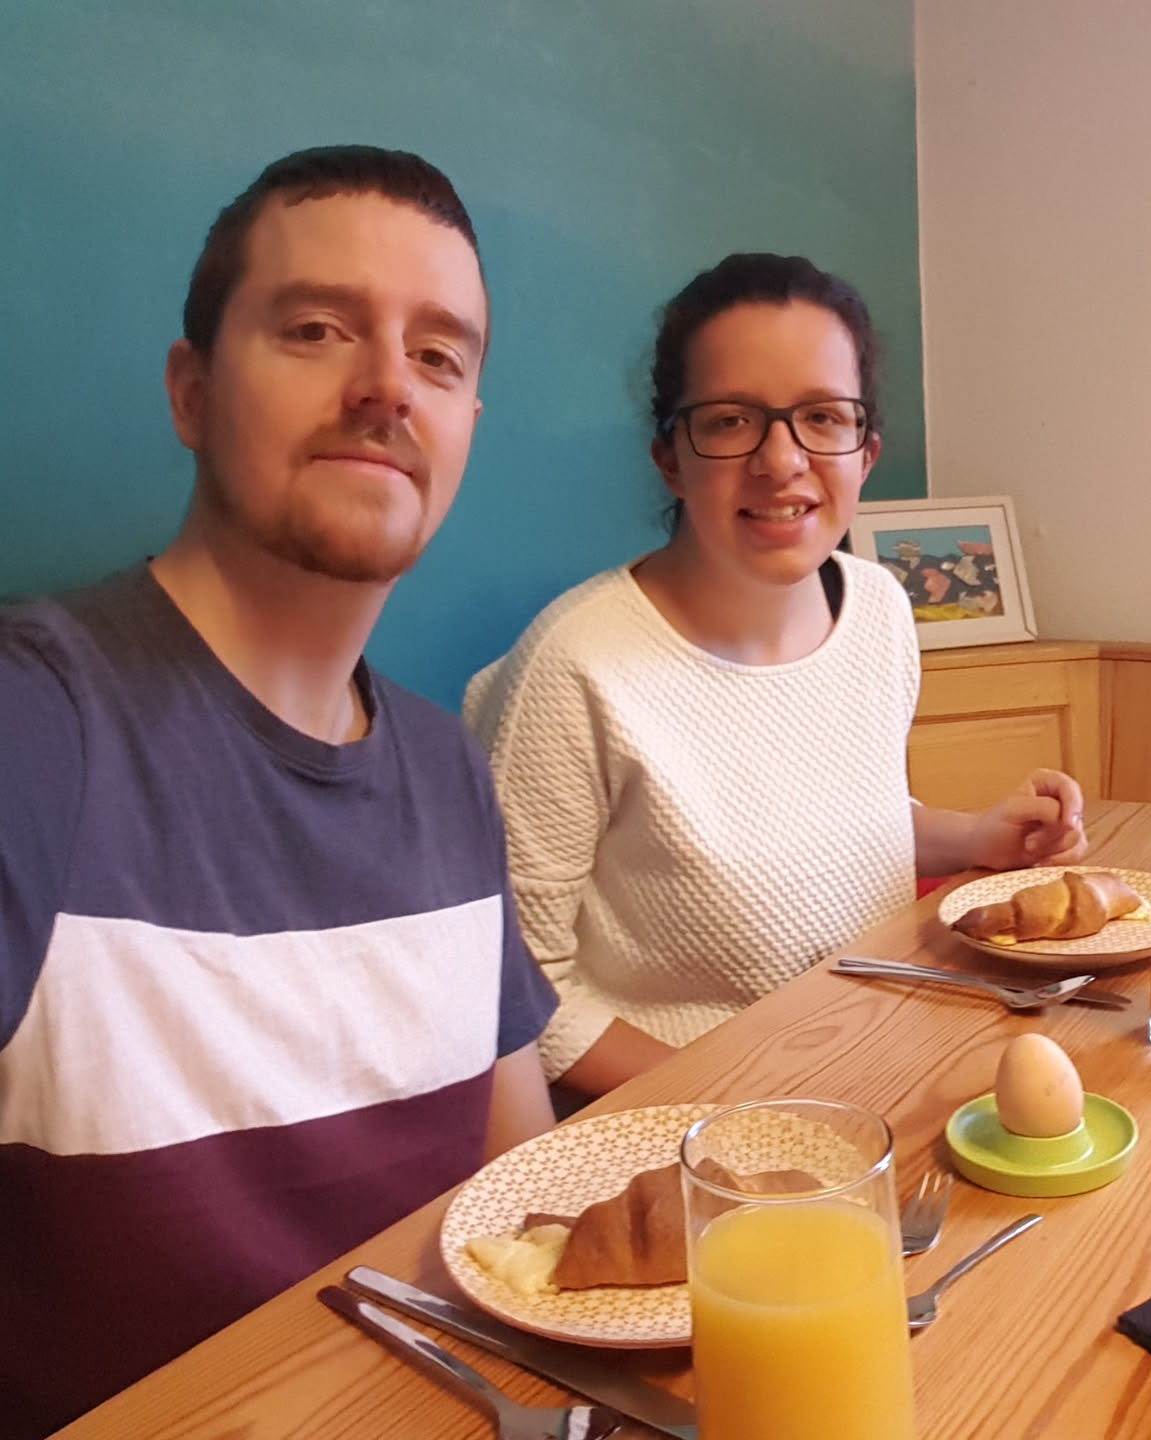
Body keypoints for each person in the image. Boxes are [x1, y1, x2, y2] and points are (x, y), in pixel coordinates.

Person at [0, 146, 556, 1439]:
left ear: (467, 425)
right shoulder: (35, 729)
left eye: (439, 356)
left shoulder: (448, 769)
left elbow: (525, 1199)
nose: (387, 387)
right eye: (315, 330)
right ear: (192, 392)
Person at [465, 253, 1087, 1102]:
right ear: (669, 458)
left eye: (822, 417)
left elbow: (828, 830)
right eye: (731, 421)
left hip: (873, 1074)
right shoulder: (574, 667)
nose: (782, 459)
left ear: (865, 452)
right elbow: (516, 993)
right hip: (678, 1131)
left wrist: (977, 838)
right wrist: (739, 1105)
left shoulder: (878, 608)